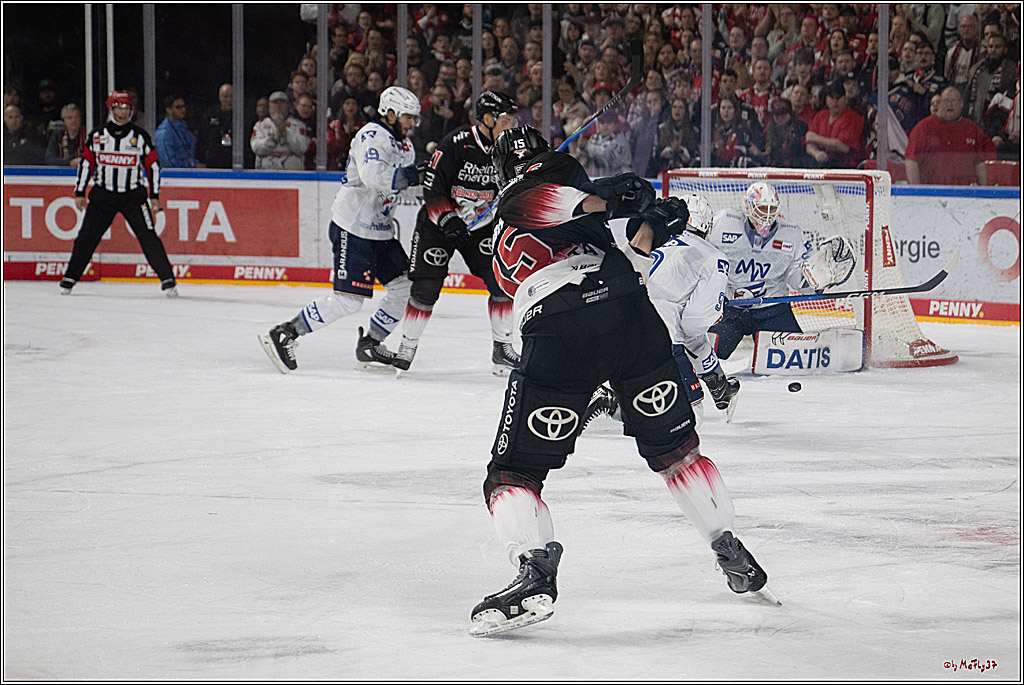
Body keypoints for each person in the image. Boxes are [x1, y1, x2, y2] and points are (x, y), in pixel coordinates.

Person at [469, 126, 776, 637]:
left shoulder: (510, 213)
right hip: (632, 318)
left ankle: (534, 572)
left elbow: (595, 213)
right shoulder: (544, 186)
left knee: (512, 475)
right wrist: (648, 212)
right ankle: (725, 540)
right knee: (678, 452)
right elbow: (606, 207)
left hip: (559, 331)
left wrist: (645, 211)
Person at [258, 86, 422, 373]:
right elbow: (374, 177)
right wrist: (413, 174)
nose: (412, 123)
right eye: (408, 117)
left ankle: (371, 343)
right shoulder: (371, 136)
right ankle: (286, 332)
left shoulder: (405, 146)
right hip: (354, 229)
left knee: (406, 286)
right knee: (349, 301)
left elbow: (402, 183)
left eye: (415, 118)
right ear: (391, 113)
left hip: (381, 231)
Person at [582, 193, 740, 433]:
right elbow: (694, 325)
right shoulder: (713, 256)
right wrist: (717, 313)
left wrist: (717, 381)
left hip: (604, 328)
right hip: (655, 338)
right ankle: (610, 401)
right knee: (685, 419)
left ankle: (601, 393)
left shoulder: (646, 237)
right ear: (706, 225)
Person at [394, 91, 520, 375]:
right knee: (426, 288)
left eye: (513, 121)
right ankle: (407, 345)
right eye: (505, 120)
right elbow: (433, 188)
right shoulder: (455, 143)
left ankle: (502, 349)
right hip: (439, 225)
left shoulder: (512, 148)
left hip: (481, 226)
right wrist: (448, 221)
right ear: (487, 119)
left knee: (502, 283)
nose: (511, 127)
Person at [705, 182, 855, 361]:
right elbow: (703, 256)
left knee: (795, 358)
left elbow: (797, 278)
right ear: (748, 207)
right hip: (729, 309)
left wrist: (816, 280)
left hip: (772, 309)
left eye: (771, 209)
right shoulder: (722, 222)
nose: (767, 215)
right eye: (762, 209)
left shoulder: (791, 234)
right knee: (706, 355)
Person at [58, 91, 177, 296]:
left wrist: (154, 195)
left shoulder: (140, 137)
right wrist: (80, 191)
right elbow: (87, 164)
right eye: (119, 108)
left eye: (127, 108)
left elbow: (153, 167)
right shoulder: (97, 136)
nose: (123, 113)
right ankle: (70, 278)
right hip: (103, 196)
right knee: (86, 237)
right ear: (111, 109)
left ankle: (168, 279)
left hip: (133, 196)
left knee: (148, 236)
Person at [904, 86, 997, 186]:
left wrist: (984, 192)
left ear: (961, 104)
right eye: (946, 101)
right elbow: (911, 161)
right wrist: (917, 193)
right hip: (932, 194)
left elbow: (980, 162)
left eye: (953, 101)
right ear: (940, 104)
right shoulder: (923, 128)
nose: (950, 104)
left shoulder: (972, 129)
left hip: (965, 194)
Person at [805, 80, 865, 168]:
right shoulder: (820, 116)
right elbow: (809, 143)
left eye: (838, 97)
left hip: (845, 167)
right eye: (832, 97)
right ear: (826, 99)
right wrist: (816, 153)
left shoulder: (854, 117)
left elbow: (842, 147)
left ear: (845, 99)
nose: (835, 101)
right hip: (820, 164)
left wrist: (816, 138)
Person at [250, 91, 309, 170]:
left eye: (282, 103)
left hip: (292, 174)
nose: (278, 106)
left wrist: (287, 137)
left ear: (287, 105)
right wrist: (273, 139)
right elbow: (256, 148)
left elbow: (302, 148)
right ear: (269, 105)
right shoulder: (260, 125)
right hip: (266, 173)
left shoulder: (298, 125)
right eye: (275, 103)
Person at [197, 83, 234, 169]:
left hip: (233, 161)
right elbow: (202, 138)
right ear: (220, 97)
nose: (229, 100)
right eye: (225, 96)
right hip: (213, 161)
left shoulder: (240, 116)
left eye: (232, 96)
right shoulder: (210, 114)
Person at [154, 95, 197, 168]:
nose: (183, 110)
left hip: (189, 174)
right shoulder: (164, 133)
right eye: (178, 107)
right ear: (168, 110)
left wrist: (196, 165)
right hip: (173, 176)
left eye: (183, 106)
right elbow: (167, 163)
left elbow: (190, 155)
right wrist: (191, 166)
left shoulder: (185, 130)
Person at [44, 103, 87, 167]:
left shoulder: (88, 134)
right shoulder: (58, 135)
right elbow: (49, 159)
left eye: (77, 117)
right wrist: (69, 163)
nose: (74, 121)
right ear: (64, 120)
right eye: (70, 118)